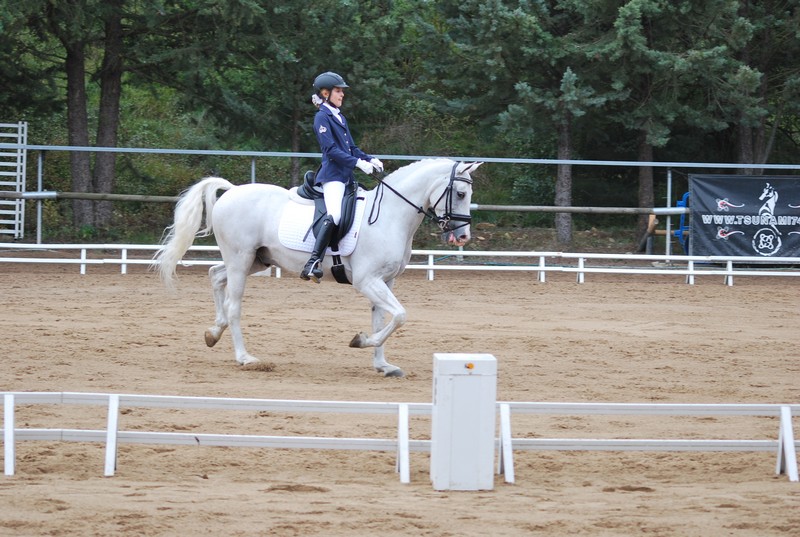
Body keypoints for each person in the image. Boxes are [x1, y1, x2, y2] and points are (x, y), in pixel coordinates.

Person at [300, 71, 383, 282]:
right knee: (335, 215)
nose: (342, 94)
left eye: (341, 91)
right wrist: (357, 163)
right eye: (338, 91)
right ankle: (313, 262)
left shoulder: (339, 116)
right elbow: (330, 150)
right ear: (325, 93)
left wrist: (369, 159)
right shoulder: (322, 117)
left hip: (346, 177)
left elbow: (351, 148)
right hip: (332, 177)